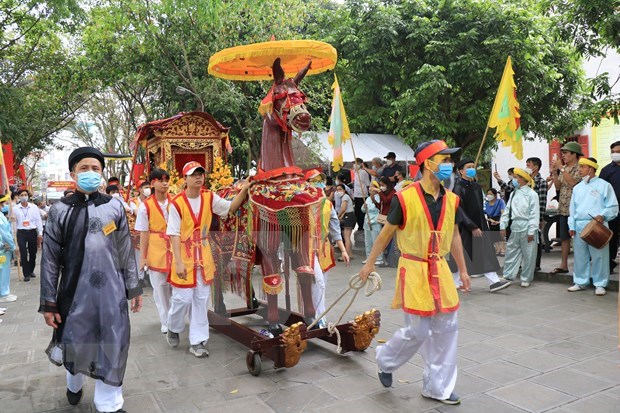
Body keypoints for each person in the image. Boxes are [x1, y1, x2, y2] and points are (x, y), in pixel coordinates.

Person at [359, 140, 470, 405]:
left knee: (446, 328)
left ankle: (438, 387)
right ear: (428, 164)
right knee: (417, 331)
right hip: (414, 267)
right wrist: (369, 262)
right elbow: (386, 233)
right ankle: (385, 360)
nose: (449, 165)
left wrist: (463, 270)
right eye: (444, 160)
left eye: (449, 160)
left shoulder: (452, 200)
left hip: (440, 268)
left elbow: (454, 235)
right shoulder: (404, 198)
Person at [39, 146, 142, 413]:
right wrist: (49, 302)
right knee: (76, 340)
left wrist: (134, 287)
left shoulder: (115, 206)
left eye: (95, 169)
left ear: (102, 174)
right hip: (74, 293)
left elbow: (125, 250)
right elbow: (49, 259)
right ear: (72, 173)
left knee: (114, 339)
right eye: (84, 168)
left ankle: (108, 403)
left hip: (112, 293)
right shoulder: (59, 211)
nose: (90, 173)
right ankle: (74, 383)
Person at [166, 161, 250, 357]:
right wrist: (178, 261)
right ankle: (173, 326)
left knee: (201, 299)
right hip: (184, 255)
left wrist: (244, 190)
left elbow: (230, 208)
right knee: (181, 299)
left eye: (201, 173)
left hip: (203, 254)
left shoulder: (209, 197)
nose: (198, 177)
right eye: (194, 174)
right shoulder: (176, 203)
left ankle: (198, 341)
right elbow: (173, 234)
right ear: (185, 178)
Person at [450, 159, 510, 292]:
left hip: (480, 226)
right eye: (468, 167)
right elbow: (459, 209)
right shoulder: (458, 187)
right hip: (464, 228)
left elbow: (480, 209)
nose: (472, 169)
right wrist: (471, 226)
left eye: (473, 166)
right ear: (461, 171)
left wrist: (482, 226)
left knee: (485, 253)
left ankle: (493, 281)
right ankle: (456, 282)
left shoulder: (476, 186)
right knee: (463, 255)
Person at [568, 157, 619, 296]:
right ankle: (580, 281)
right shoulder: (577, 188)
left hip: (598, 225)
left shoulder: (604, 185)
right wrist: (571, 225)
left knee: (599, 256)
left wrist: (603, 215)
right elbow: (572, 209)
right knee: (580, 255)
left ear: (591, 169)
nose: (579, 170)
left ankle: (600, 283)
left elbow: (613, 206)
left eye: (582, 167)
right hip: (579, 225)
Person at [306, 170, 349, 327]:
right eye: (313, 181)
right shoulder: (302, 204)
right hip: (306, 248)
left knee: (321, 284)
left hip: (324, 248)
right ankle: (318, 317)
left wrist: (343, 250)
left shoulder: (328, 204)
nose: (318, 184)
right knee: (318, 283)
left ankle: (317, 315)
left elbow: (335, 228)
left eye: (320, 181)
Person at [135, 169, 172, 334]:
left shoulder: (177, 202)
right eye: (160, 180)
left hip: (175, 248)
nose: (165, 183)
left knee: (177, 288)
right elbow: (143, 233)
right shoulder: (145, 206)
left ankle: (174, 317)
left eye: (167, 179)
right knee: (160, 288)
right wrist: (142, 258)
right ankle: (165, 320)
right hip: (156, 250)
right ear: (152, 183)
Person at [500, 168, 540, 287]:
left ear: (523, 179)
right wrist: (503, 224)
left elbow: (534, 213)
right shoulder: (513, 193)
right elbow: (507, 211)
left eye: (516, 177)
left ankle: (526, 278)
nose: (514, 180)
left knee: (529, 254)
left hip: (527, 226)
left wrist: (532, 230)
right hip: (515, 225)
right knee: (511, 252)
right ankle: (508, 275)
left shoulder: (532, 194)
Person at [551, 142, 582, 274]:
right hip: (563, 208)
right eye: (562, 153)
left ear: (574, 154)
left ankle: (582, 267)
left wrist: (561, 169)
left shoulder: (580, 168)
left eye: (566, 153)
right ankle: (564, 265)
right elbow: (558, 187)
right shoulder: (563, 168)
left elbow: (573, 183)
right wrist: (554, 172)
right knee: (564, 237)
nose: (563, 156)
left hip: (577, 209)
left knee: (580, 238)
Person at [598, 140, 620, 273]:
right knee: (611, 237)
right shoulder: (606, 170)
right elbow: (601, 192)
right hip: (613, 211)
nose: (615, 154)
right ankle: (610, 264)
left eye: (618, 152)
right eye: (613, 152)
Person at [15, 189, 43, 281]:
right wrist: (13, 236)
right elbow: (14, 223)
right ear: (18, 197)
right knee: (23, 253)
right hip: (21, 233)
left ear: (28, 196)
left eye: (25, 195)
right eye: (22, 195)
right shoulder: (15, 208)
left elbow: (38, 220)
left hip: (32, 232)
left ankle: (31, 270)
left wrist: (40, 233)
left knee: (33, 253)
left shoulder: (34, 207)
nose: (24, 197)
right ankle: (26, 273)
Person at [526, 157, 548, 271]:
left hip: (535, 216)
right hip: (525, 216)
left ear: (535, 167)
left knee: (536, 240)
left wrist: (540, 218)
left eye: (528, 165)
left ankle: (536, 264)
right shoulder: (525, 181)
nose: (526, 167)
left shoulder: (541, 182)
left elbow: (542, 202)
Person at [362, 181, 384, 266]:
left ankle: (379, 258)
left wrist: (372, 221)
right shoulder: (367, 198)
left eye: (372, 186)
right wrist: (364, 207)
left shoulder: (378, 198)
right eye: (370, 186)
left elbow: (379, 211)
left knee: (376, 241)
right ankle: (369, 257)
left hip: (375, 223)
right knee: (368, 242)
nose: (370, 188)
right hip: (367, 223)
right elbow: (363, 210)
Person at [0, 194, 16, 303]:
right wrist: (13, 246)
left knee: (4, 270)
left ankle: (5, 291)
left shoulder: (1, 215)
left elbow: (6, 229)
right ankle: (3, 293)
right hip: (3, 248)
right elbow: (4, 233)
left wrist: (10, 221)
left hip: (5, 247)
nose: (5, 205)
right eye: (4, 203)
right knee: (3, 271)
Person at [484, 188, 506, 256]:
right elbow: (482, 214)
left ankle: (502, 249)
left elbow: (503, 213)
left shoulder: (500, 201)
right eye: (487, 194)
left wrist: (499, 221)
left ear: (495, 195)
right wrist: (489, 220)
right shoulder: (486, 204)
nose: (489, 195)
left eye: (491, 194)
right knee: (493, 234)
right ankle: (497, 249)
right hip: (490, 220)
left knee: (500, 234)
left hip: (499, 219)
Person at [335, 183, 355, 259]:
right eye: (337, 190)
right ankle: (349, 253)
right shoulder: (344, 197)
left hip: (349, 217)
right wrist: (340, 217)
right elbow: (344, 210)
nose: (338, 191)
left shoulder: (345, 197)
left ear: (344, 190)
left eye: (340, 189)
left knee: (346, 237)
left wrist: (337, 217)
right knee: (347, 236)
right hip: (348, 216)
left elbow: (343, 209)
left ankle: (347, 254)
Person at [352, 157, 370, 235]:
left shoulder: (363, 172)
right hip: (356, 195)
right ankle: (359, 225)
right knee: (357, 212)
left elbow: (367, 184)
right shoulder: (355, 172)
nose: (354, 165)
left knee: (362, 211)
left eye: (356, 163)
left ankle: (363, 225)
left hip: (363, 194)